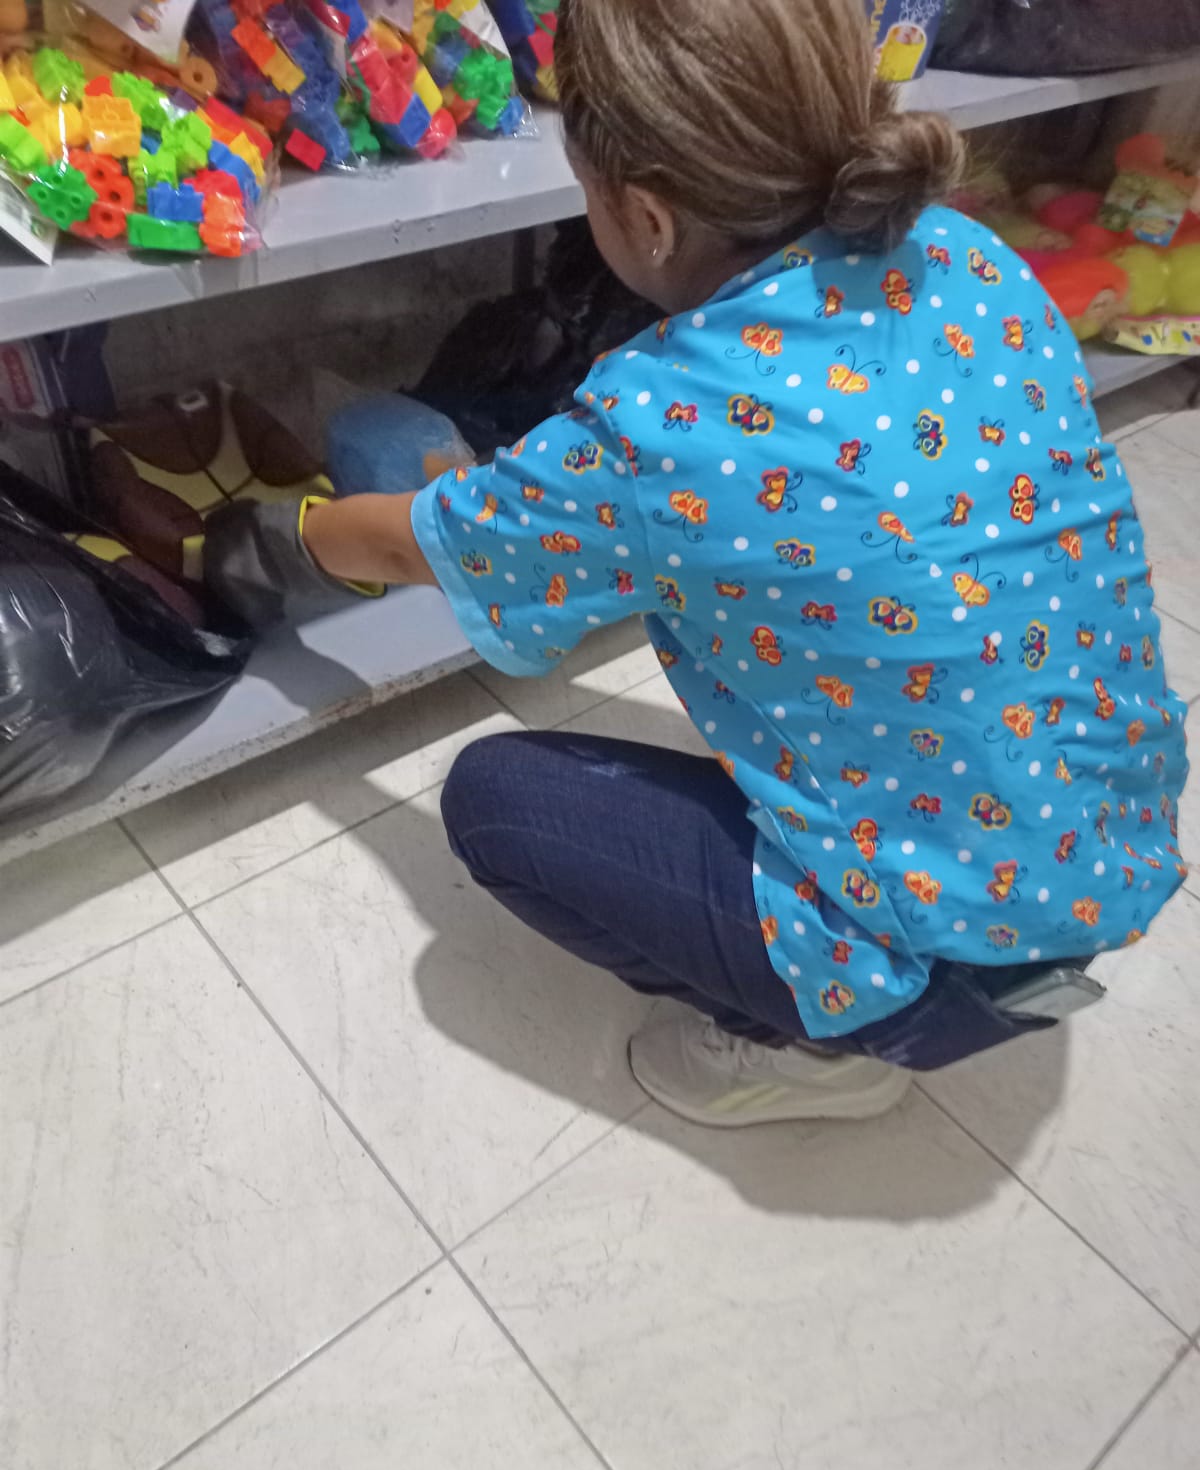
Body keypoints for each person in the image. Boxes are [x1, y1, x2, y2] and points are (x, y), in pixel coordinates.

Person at [294, 0, 1189, 1127]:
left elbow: (415, 541)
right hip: (1106, 846)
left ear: (647, 218)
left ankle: (825, 1047)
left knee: (499, 804)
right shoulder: (970, 258)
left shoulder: (661, 423)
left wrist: (295, 534)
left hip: (947, 958)